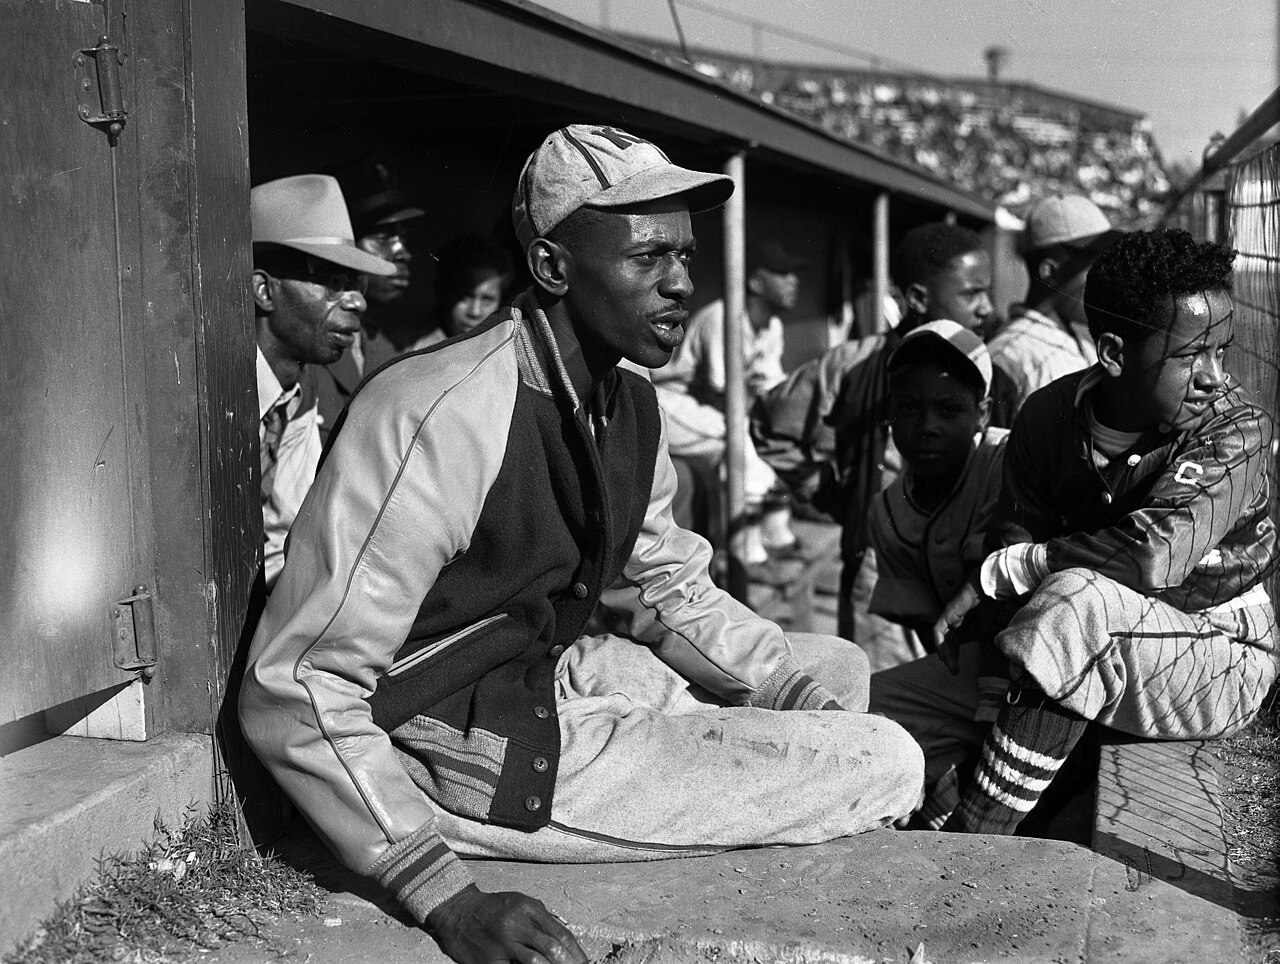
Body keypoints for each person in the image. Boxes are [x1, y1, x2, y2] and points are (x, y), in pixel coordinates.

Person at [239, 124, 924, 964]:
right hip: (440, 743)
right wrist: (441, 894)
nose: (680, 284)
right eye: (647, 259)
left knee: (837, 672)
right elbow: (299, 682)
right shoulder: (440, 412)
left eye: (684, 255)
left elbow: (673, 589)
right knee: (886, 758)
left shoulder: (628, 401)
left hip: (538, 675)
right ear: (553, 267)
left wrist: (792, 698)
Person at [871, 228, 1277, 835]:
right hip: (1076, 644)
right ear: (1114, 354)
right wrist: (1004, 582)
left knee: (1073, 599)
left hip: (1218, 654)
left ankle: (973, 835)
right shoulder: (1047, 415)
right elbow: (1013, 538)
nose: (1215, 376)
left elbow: (1153, 558)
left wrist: (1013, 570)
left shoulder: (1238, 431)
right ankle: (948, 779)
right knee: (876, 700)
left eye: (1224, 351)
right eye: (1194, 355)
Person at [752, 222, 993, 663]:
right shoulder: (855, 364)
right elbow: (770, 422)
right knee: (881, 699)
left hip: (966, 573)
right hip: (881, 573)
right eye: (971, 294)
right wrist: (824, 489)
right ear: (918, 298)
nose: (986, 308)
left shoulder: (989, 368)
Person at [250, 174, 397, 588]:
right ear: (263, 291)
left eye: (357, 284)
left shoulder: (300, 388)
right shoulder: (217, 391)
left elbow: (285, 535)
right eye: (334, 283)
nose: (358, 301)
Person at [649, 240, 809, 562]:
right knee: (739, 444)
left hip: (716, 408)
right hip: (671, 402)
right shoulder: (721, 317)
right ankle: (743, 557)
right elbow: (721, 392)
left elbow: (772, 388)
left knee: (768, 438)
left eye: (794, 273)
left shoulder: (772, 326)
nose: (794, 281)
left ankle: (775, 538)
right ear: (756, 283)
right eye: (782, 273)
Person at [867, 320, 1008, 659]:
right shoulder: (887, 510)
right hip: (961, 666)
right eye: (910, 408)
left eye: (949, 410)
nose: (927, 427)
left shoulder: (1006, 461)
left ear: (983, 414)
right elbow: (923, 622)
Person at [314, 156, 426, 441]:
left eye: (400, 236)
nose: (402, 252)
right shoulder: (307, 344)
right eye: (382, 237)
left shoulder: (379, 344)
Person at [987, 194, 1120, 428]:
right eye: (1095, 266)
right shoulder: (1008, 355)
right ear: (1050, 272)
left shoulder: (1082, 336)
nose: (1107, 278)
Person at [418, 235, 515, 344]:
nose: (475, 312)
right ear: (443, 292)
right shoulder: (414, 346)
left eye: (487, 299)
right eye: (465, 296)